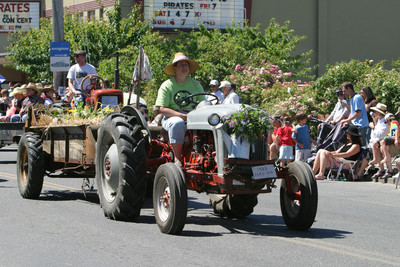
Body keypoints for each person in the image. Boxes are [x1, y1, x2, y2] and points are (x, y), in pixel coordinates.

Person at [155, 52, 205, 166]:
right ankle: (178, 158)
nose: (184, 67)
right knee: (177, 123)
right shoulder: (167, 85)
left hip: (193, 115)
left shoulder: (196, 84)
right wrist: (182, 116)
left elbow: (203, 103)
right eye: (181, 65)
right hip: (171, 117)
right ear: (175, 68)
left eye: (186, 64)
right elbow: (162, 109)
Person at [340, 82, 369, 146]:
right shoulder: (352, 98)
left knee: (362, 146)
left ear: (349, 89)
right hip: (356, 125)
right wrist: (347, 121)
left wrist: (346, 120)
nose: (343, 93)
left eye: (344, 91)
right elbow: (352, 112)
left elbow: (358, 113)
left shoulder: (356, 98)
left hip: (361, 125)